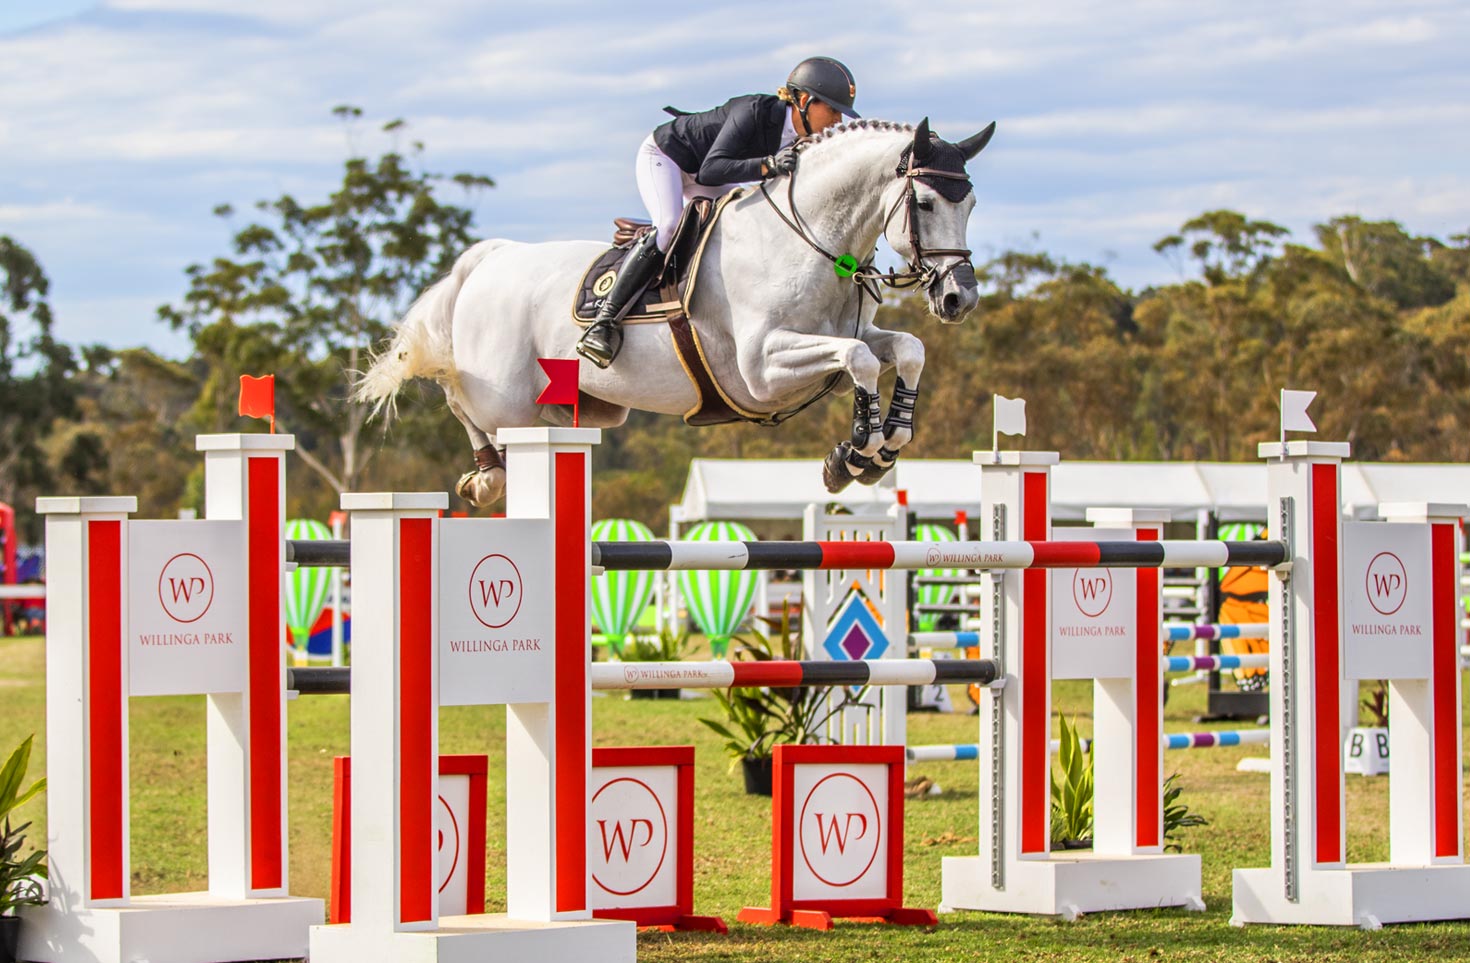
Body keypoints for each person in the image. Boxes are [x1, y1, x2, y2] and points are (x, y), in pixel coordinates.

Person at [576, 56, 860, 369]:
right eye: (833, 110)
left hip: (714, 175)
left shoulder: (810, 141)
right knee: (669, 226)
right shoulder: (753, 112)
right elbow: (711, 169)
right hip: (669, 157)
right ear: (805, 101)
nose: (838, 121)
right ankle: (604, 322)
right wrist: (767, 165)